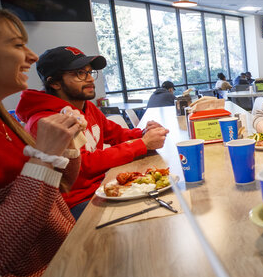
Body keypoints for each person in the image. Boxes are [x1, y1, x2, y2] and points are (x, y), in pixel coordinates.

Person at [0, 5, 83, 277]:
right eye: (17, 45)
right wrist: (42, 158)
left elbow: (60, 187)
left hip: (69, 258)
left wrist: (66, 146)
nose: (33, 56)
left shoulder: (3, 120)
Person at [16, 46, 169, 219]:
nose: (90, 79)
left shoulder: (86, 107)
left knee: (162, 198)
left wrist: (143, 133)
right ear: (54, 83)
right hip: (75, 203)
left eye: (90, 72)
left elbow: (116, 134)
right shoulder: (46, 122)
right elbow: (84, 166)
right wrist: (142, 144)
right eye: (79, 73)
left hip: (103, 186)